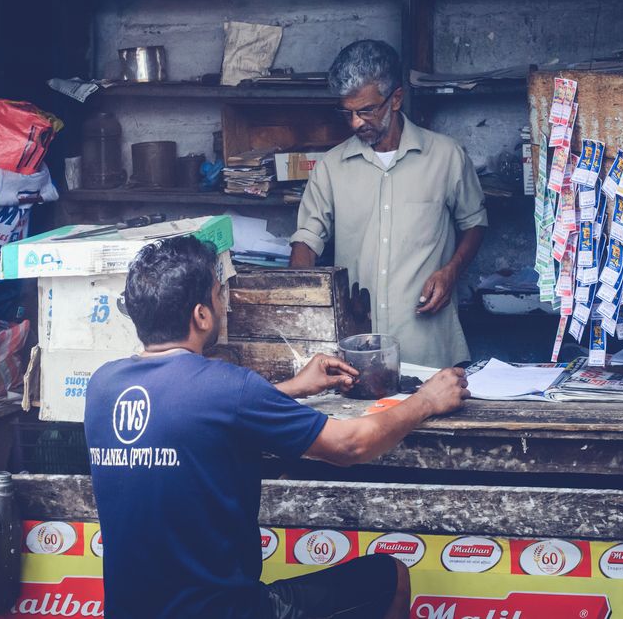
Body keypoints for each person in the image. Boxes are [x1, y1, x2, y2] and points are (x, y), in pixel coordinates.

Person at [84, 236, 469, 619]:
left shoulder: (102, 387)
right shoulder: (227, 387)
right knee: (392, 576)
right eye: (219, 294)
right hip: (229, 613)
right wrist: (427, 401)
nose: (225, 304)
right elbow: (351, 445)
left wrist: (293, 388)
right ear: (201, 316)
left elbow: (191, 410)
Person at [290, 40, 488, 368]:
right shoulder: (331, 167)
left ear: (396, 99)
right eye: (347, 112)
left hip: (429, 348)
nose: (355, 123)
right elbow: (308, 238)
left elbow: (475, 223)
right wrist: (298, 296)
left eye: (366, 110)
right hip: (356, 352)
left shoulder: (445, 156)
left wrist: (451, 272)